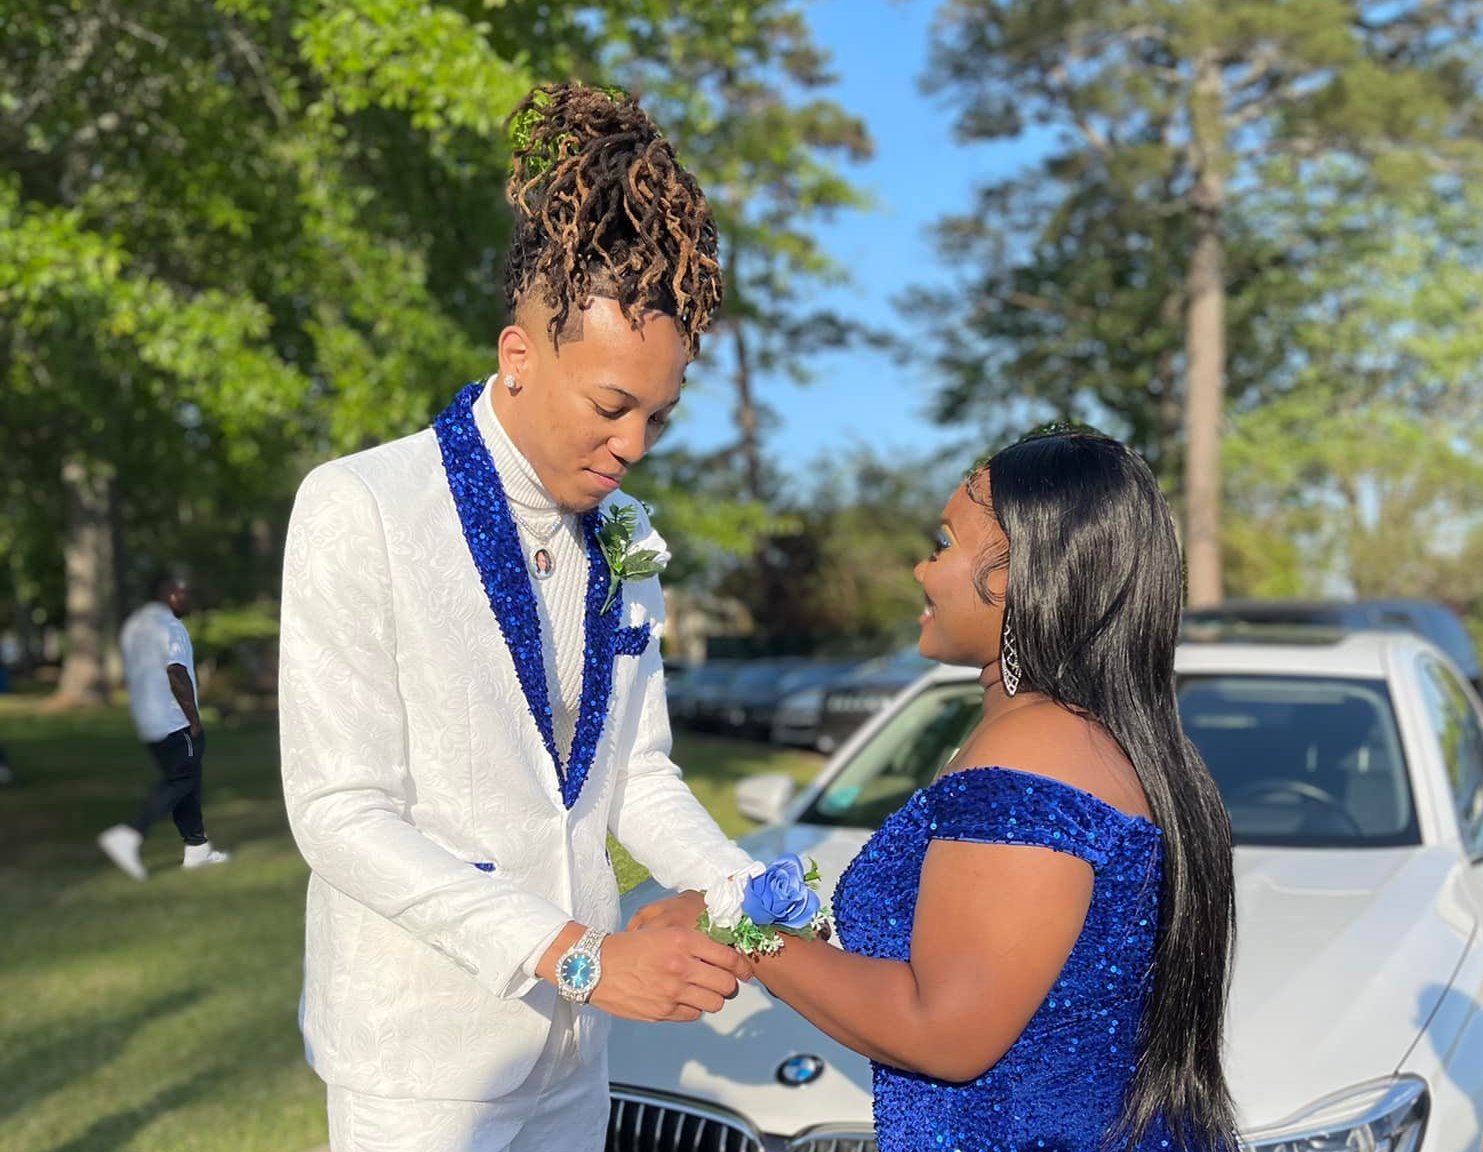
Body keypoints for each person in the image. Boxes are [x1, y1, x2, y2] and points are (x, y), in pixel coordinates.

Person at [279, 83, 756, 1152]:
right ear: (518, 356)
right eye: (610, 406)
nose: (634, 444)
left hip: (574, 1048)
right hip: (423, 1059)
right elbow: (342, 814)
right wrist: (576, 953)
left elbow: (636, 773)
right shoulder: (362, 505)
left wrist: (746, 888)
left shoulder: (627, 534)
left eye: (658, 416)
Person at [667, 431, 1240, 1150]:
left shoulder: (1035, 748)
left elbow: (944, 1031)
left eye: (943, 544)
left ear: (1008, 574)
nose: (921, 569)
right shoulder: (1090, 738)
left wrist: (737, 932)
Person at [98, 570, 229, 880]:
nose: (184, 597)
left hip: (147, 717)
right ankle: (130, 835)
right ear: (164, 593)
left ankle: (197, 847)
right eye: (178, 592)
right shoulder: (170, 626)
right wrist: (194, 719)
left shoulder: (135, 626)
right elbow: (175, 672)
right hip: (174, 718)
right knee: (180, 780)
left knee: (187, 779)